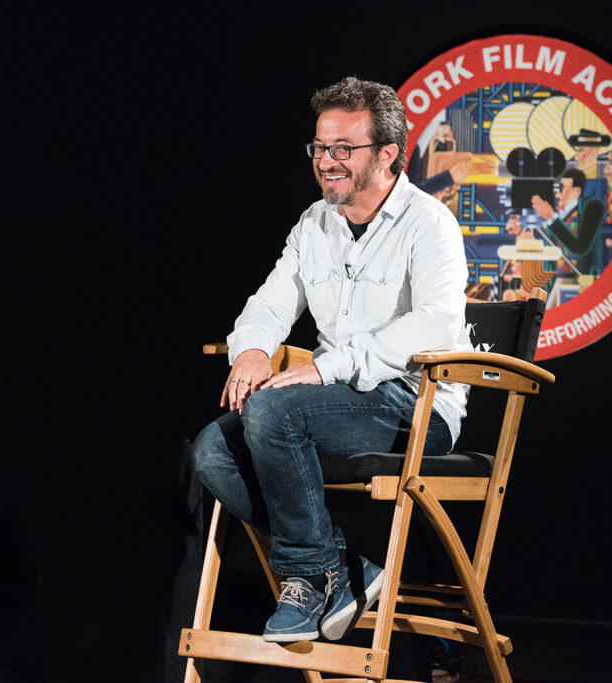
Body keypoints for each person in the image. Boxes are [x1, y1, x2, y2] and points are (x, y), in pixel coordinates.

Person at [192, 77, 470, 643]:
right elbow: (270, 302)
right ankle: (335, 569)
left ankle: (303, 575)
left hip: (415, 404)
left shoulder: (429, 222)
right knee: (211, 451)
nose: (327, 161)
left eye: (344, 148)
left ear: (387, 154)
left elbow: (436, 322)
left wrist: (328, 366)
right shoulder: (314, 223)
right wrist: (250, 348)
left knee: (273, 413)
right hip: (330, 403)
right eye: (320, 147)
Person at [531, 168, 605, 276]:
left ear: (576, 192)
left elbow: (580, 248)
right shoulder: (554, 212)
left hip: (581, 280)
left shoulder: (592, 206)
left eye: (562, 188)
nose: (557, 194)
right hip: (554, 279)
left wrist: (552, 218)